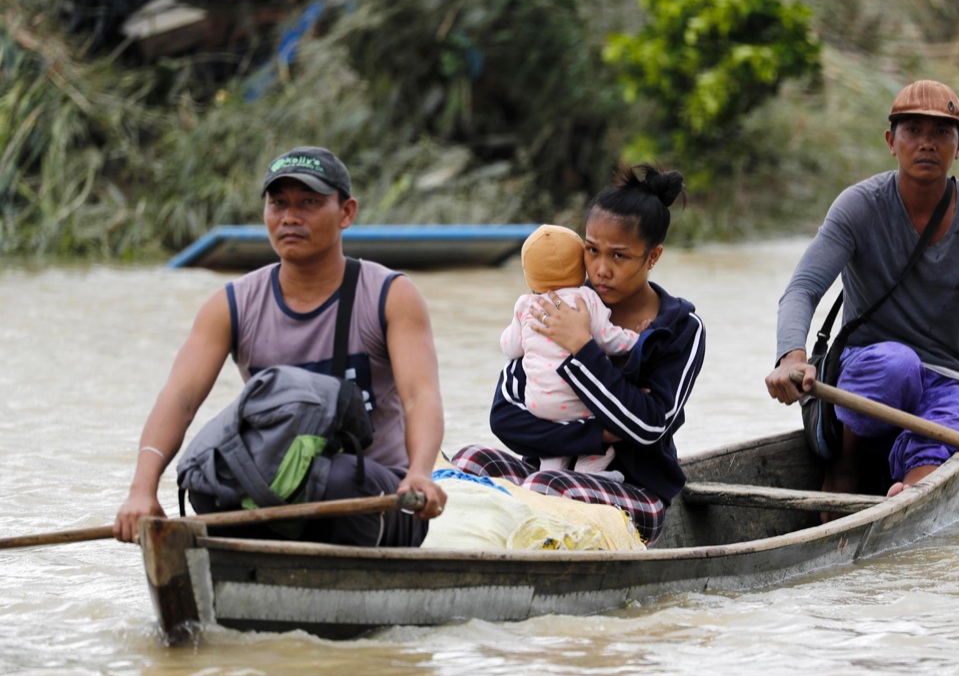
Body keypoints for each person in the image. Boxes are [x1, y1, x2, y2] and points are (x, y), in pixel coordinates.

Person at [114, 145, 447, 546]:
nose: (290, 217)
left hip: (380, 494)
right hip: (278, 487)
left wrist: (420, 473)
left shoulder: (390, 295)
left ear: (346, 213)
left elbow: (420, 396)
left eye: (309, 202)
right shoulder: (232, 304)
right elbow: (179, 398)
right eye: (279, 203)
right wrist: (142, 490)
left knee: (337, 477)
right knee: (204, 478)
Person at [765, 80, 959, 499]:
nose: (927, 144)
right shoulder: (858, 205)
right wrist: (792, 357)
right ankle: (848, 464)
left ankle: (911, 493)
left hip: (950, 379)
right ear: (890, 142)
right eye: (913, 130)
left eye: (941, 133)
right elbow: (803, 288)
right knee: (896, 365)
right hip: (871, 372)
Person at [451, 164, 706, 544]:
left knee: (548, 487)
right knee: (468, 461)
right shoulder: (557, 301)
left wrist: (582, 349)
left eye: (619, 256)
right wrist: (599, 432)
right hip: (544, 475)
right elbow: (505, 416)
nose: (600, 270)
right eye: (591, 250)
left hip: (635, 496)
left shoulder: (680, 328)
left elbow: (648, 427)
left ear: (652, 258)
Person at [501, 223, 647, 477]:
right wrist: (638, 338)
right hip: (580, 404)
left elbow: (511, 347)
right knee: (596, 425)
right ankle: (594, 473)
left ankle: (548, 477)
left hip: (541, 407)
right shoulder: (585, 298)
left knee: (550, 460)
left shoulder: (525, 304)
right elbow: (608, 338)